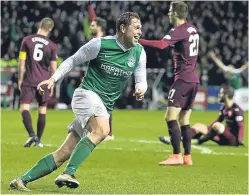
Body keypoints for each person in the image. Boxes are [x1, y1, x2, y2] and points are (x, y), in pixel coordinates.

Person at [9, 12, 147, 191]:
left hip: (104, 105)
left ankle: (22, 180)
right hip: (86, 95)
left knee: (64, 152)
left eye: (141, 28)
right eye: (136, 27)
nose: (140, 31)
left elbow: (141, 78)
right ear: (122, 28)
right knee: (103, 130)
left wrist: (140, 89)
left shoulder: (139, 52)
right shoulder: (100, 44)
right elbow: (73, 60)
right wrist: (52, 79)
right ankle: (69, 173)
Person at [139, 1, 199, 165]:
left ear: (176, 14)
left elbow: (161, 45)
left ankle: (176, 155)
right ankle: (187, 157)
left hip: (183, 79)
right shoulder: (192, 28)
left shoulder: (178, 30)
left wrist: (138, 41)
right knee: (184, 119)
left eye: (170, 11)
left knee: (169, 116)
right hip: (194, 79)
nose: (167, 14)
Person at [159, 86, 245, 146]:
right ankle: (179, 139)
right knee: (199, 126)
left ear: (226, 95)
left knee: (217, 126)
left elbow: (241, 126)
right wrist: (206, 129)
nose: (219, 95)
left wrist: (239, 140)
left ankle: (198, 141)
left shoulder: (237, 110)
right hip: (222, 137)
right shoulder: (224, 108)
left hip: (232, 140)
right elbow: (217, 120)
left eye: (221, 93)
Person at [18, 17, 57, 147]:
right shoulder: (52, 45)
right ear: (50, 29)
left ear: (40, 25)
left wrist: (20, 79)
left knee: (24, 108)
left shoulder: (27, 41)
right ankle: (38, 141)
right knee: (42, 109)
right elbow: (53, 67)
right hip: (44, 81)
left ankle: (31, 135)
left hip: (29, 79)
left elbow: (21, 62)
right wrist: (52, 82)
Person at [88, 5, 114, 141]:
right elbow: (92, 17)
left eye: (92, 25)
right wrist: (89, 6)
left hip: (104, 77)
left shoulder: (105, 41)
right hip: (95, 76)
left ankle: (108, 133)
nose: (90, 26)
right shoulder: (95, 40)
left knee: (105, 104)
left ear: (99, 27)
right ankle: (99, 130)